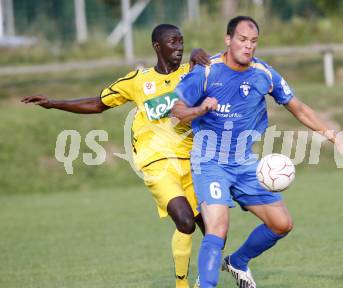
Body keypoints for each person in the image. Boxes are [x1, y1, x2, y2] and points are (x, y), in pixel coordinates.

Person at [171, 16, 343, 288]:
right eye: (242, 39)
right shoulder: (206, 71)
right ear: (228, 39)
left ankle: (237, 262)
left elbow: (299, 108)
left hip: (245, 163)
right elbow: (176, 111)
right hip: (210, 162)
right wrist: (199, 110)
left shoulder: (264, 74)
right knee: (217, 228)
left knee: (282, 224)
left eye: (253, 41)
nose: (248, 46)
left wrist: (337, 139)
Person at [22, 24, 211, 288]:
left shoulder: (190, 74)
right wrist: (54, 103)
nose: (179, 47)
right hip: (155, 162)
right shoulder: (137, 80)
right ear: (157, 46)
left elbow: (217, 68)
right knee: (185, 221)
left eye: (182, 41)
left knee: (215, 232)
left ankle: (210, 277)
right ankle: (182, 284)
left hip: (192, 162)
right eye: (172, 42)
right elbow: (97, 103)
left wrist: (201, 53)